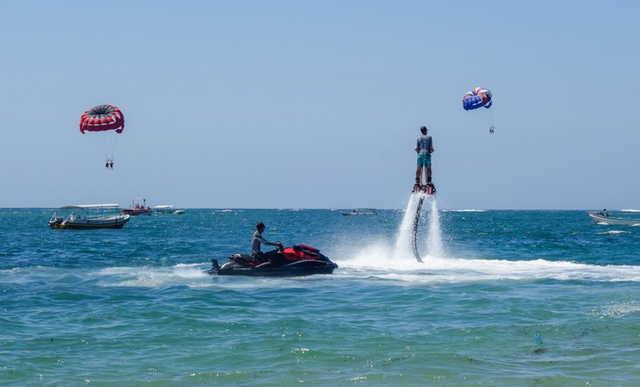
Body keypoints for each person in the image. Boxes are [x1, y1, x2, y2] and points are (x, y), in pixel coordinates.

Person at [414, 126, 435, 192]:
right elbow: (431, 148)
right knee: (428, 168)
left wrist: (419, 153)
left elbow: (417, 148)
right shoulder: (429, 138)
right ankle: (428, 182)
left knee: (419, 168)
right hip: (426, 154)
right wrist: (431, 152)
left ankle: (418, 182)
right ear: (425, 131)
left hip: (420, 154)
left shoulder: (418, 138)